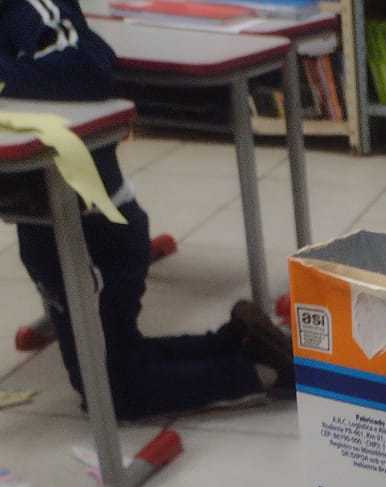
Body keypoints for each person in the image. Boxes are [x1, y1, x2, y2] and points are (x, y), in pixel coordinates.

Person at [0, 0, 294, 419]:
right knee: (113, 357)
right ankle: (237, 342)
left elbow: (85, 70)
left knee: (110, 390)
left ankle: (257, 372)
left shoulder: (31, 8)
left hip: (93, 229)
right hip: (44, 220)